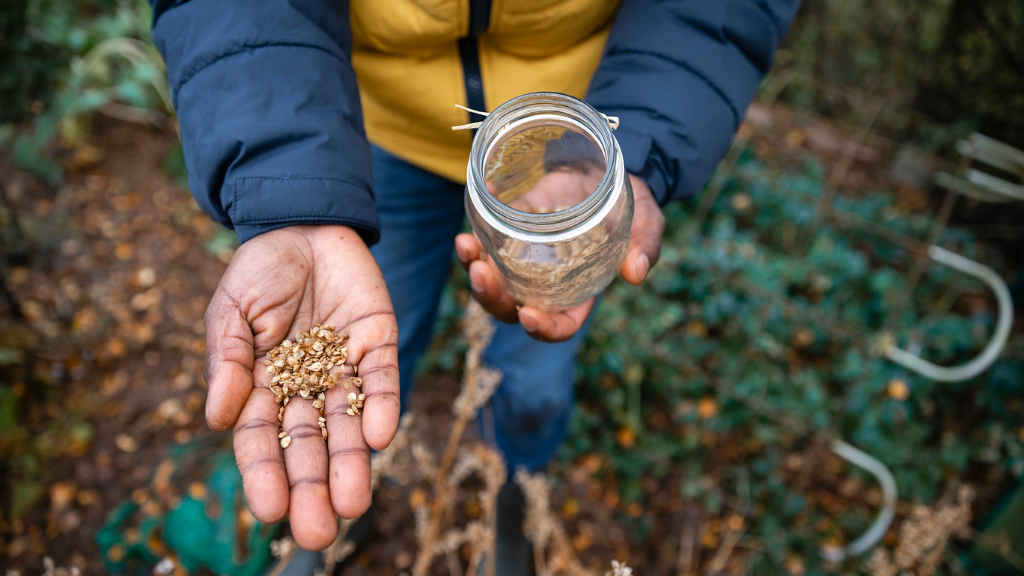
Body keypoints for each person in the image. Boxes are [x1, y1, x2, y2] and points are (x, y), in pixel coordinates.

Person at [148, 0, 801, 561]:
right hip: (362, 127)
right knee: (367, 343)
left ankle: (510, 500)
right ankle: (345, 515)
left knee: (534, 372)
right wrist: (290, 181)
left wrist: (640, 133)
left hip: (568, 136)